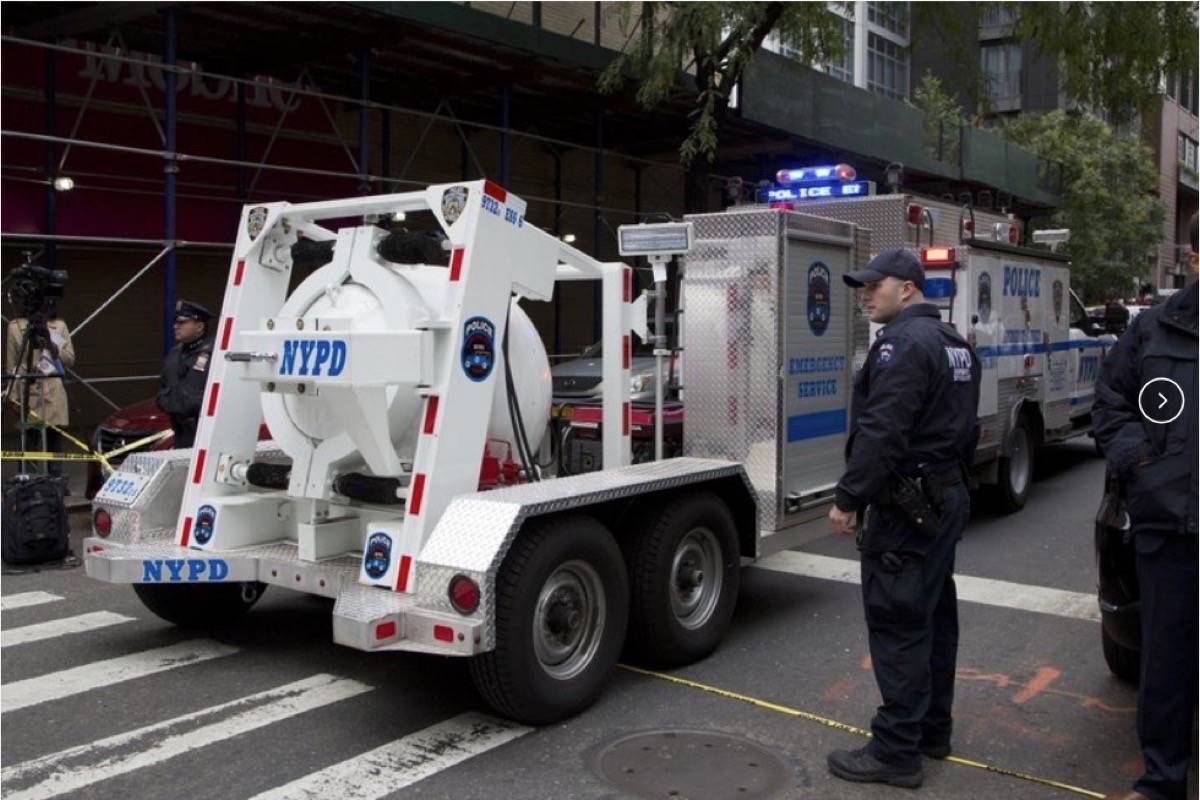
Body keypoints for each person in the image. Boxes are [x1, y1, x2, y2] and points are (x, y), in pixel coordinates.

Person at [825, 248, 981, 789]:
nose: (865, 294)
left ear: (908, 288)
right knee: (934, 615)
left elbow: (883, 431)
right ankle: (932, 731)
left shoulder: (902, 345)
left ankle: (895, 752)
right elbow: (968, 432)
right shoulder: (954, 343)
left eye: (875, 285)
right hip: (943, 496)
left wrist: (848, 498)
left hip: (908, 507)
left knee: (899, 623)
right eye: (862, 286)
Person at [1094, 212, 1197, 800]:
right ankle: (1162, 782)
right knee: (1166, 665)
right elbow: (1111, 404)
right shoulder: (1155, 330)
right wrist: (1145, 468)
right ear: (1194, 259)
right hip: (1172, 530)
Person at [5, 300, 75, 476]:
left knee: (54, 438)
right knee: (29, 438)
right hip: (28, 390)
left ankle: (56, 480)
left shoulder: (59, 325)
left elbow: (70, 359)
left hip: (53, 389)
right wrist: (14, 397)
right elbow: (11, 365)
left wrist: (52, 347)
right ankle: (28, 479)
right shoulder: (15, 327)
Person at [156, 300, 214, 448]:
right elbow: (163, 389)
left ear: (199, 326)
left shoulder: (215, 353)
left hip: (206, 432)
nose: (175, 326)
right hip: (180, 432)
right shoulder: (174, 354)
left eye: (182, 322)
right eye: (176, 322)